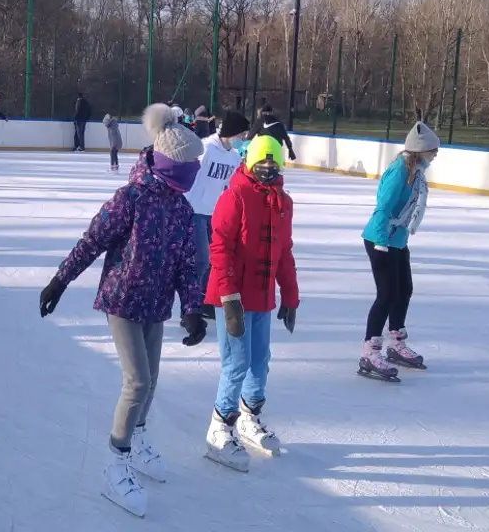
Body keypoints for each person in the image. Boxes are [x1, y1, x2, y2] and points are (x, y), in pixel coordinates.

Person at [38, 103, 207, 518]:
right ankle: (116, 462)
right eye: (189, 166)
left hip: (156, 304)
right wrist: (60, 280)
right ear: (170, 164)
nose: (194, 173)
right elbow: (92, 241)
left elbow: (188, 263)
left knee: (150, 382)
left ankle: (141, 438)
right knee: (137, 382)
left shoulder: (182, 209)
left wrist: (193, 309)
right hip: (123, 299)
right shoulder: (130, 198)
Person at [203, 134, 299, 471]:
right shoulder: (236, 196)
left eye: (273, 164)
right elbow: (220, 248)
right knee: (237, 362)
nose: (268, 170)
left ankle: (249, 417)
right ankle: (219, 428)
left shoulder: (283, 202)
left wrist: (290, 295)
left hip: (262, 296)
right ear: (249, 162)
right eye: (262, 164)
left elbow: (284, 251)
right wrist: (229, 300)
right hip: (234, 296)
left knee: (260, 360)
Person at [358, 121, 440, 382]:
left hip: (397, 241)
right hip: (379, 240)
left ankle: (395, 342)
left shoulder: (415, 172)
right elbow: (383, 207)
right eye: (432, 151)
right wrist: (382, 243)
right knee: (386, 294)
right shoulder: (399, 173)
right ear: (420, 151)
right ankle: (369, 351)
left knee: (404, 290)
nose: (435, 156)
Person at [184, 110, 250, 320]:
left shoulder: (233, 157)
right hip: (194, 211)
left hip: (215, 214)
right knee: (201, 260)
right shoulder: (206, 148)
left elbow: (232, 185)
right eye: (241, 135)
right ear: (232, 133)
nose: (243, 140)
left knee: (217, 260)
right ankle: (190, 307)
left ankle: (205, 300)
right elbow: (187, 174)